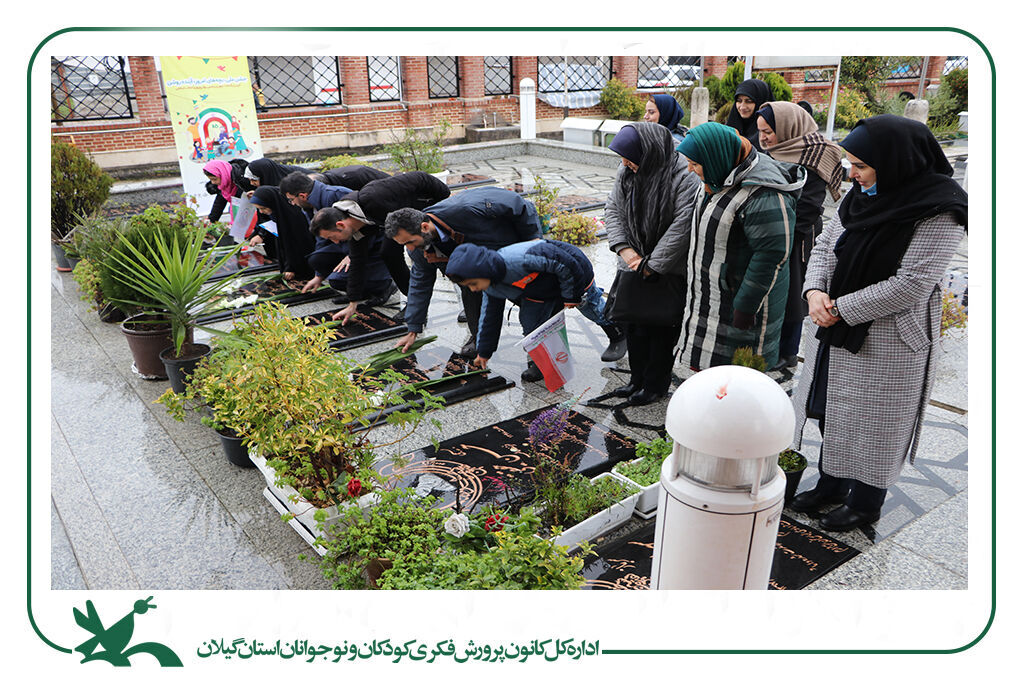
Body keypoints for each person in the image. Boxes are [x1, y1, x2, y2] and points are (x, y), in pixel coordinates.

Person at [788, 114, 967, 532]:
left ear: (896, 163)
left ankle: (866, 503)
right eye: (851, 163)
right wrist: (814, 292)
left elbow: (911, 284)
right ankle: (831, 484)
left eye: (862, 166)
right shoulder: (862, 194)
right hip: (833, 319)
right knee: (832, 406)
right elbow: (826, 245)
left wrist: (839, 309)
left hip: (890, 336)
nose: (852, 173)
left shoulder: (941, 209)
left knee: (876, 422)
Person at [676, 121, 805, 371]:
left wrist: (746, 306)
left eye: (695, 163)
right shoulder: (717, 177)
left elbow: (771, 255)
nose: (690, 170)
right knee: (710, 373)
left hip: (741, 306)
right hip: (711, 296)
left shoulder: (764, 194)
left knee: (735, 377)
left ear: (716, 156)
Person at [603, 122, 702, 406]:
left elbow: (683, 224)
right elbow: (613, 208)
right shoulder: (627, 170)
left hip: (668, 267)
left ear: (649, 153)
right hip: (633, 262)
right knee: (634, 324)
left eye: (630, 158)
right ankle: (636, 379)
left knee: (660, 326)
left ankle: (655, 384)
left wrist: (653, 264)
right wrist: (626, 251)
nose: (624, 164)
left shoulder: (683, 174)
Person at [383, 187, 543, 360]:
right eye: (404, 244)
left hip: (509, 251)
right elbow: (420, 283)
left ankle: (542, 353)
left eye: (410, 242)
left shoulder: (465, 209)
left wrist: (532, 241)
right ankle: (478, 339)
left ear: (424, 227)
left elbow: (518, 204)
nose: (410, 249)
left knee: (533, 304)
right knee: (470, 290)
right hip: (477, 268)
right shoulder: (419, 248)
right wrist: (413, 328)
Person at [444, 241, 626, 379]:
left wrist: (571, 296)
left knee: (591, 308)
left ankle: (618, 333)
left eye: (473, 284)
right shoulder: (490, 285)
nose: (474, 289)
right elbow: (489, 317)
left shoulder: (521, 258)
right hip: (539, 290)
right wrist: (484, 351)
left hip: (575, 272)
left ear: (483, 271)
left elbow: (566, 263)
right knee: (530, 323)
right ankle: (543, 363)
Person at [755, 101, 845, 370]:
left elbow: (809, 206)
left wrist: (780, 233)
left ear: (787, 126)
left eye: (768, 131)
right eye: (760, 131)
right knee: (772, 291)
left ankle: (788, 351)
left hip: (798, 234)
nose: (763, 138)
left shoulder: (815, 153)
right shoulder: (775, 150)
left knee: (794, 293)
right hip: (773, 231)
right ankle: (770, 345)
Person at [306, 171, 451, 323]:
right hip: (401, 220)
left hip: (427, 209)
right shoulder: (353, 223)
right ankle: (414, 303)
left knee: (439, 253)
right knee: (389, 253)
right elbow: (357, 261)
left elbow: (419, 177)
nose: (335, 242)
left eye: (332, 237)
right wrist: (352, 303)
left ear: (340, 225)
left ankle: (467, 293)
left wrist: (442, 200)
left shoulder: (374, 198)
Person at [248, 185, 317, 281]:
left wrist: (291, 267)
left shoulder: (292, 215)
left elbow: (295, 244)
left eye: (263, 208)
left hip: (300, 257)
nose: (261, 211)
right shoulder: (276, 210)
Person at [725, 78, 772, 151]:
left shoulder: (770, 136)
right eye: (739, 101)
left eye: (749, 101)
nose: (742, 107)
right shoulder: (729, 130)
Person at [203, 158, 253, 223]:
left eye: (214, 179)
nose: (213, 182)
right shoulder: (224, 184)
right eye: (211, 180)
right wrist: (211, 220)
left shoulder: (241, 179)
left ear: (222, 174)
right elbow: (219, 203)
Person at [243, 158, 308, 188]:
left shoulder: (291, 180)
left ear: (265, 175)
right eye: (250, 180)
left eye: (254, 179)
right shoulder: (273, 178)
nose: (251, 183)